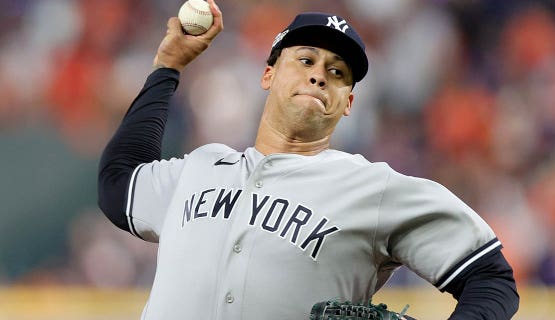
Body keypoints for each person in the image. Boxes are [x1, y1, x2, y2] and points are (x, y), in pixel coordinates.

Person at [98, 0, 519, 319]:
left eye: (338, 73)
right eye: (305, 60)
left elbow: (491, 277)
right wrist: (167, 67)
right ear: (268, 75)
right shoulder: (200, 167)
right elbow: (119, 183)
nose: (319, 75)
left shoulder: (374, 190)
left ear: (348, 102)